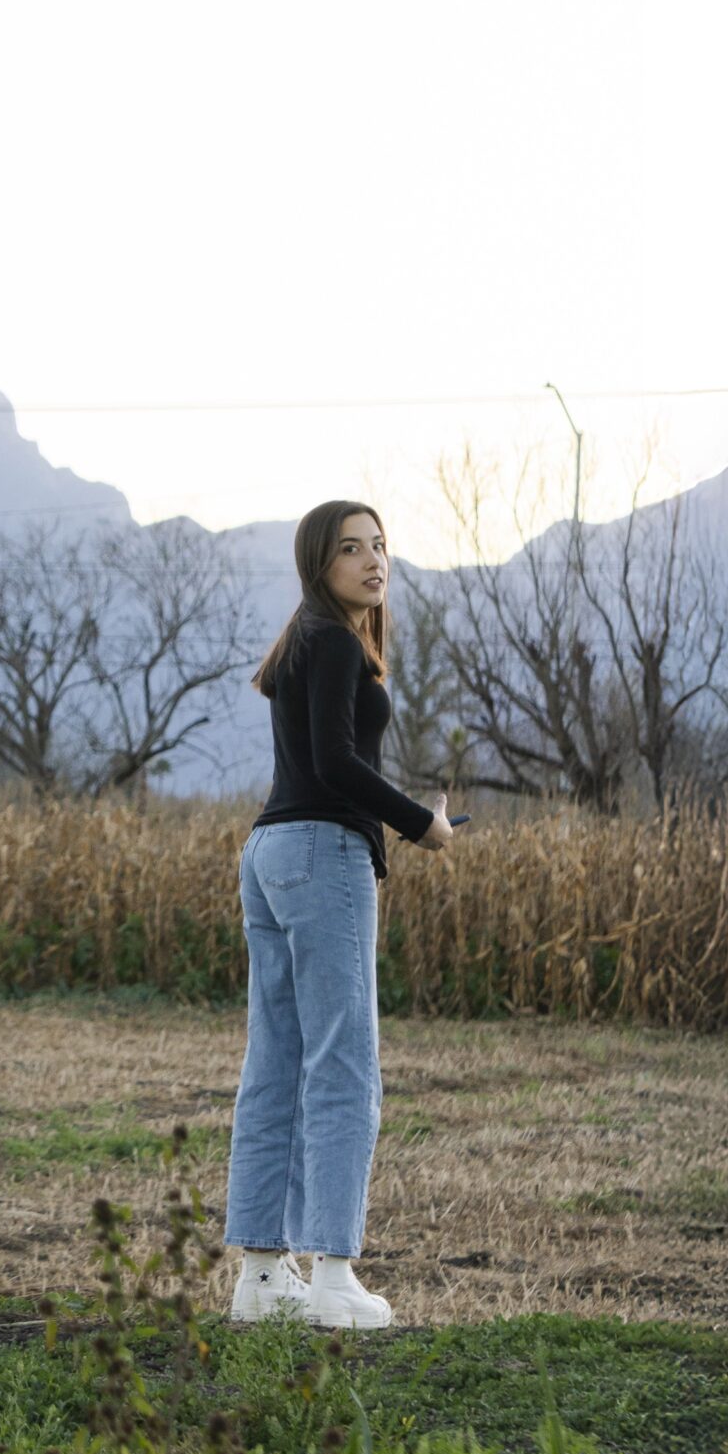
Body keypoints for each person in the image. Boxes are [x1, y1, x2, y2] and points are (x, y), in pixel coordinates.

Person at [225, 500, 452, 1330]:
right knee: (344, 1063)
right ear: (318, 564)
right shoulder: (331, 640)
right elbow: (335, 762)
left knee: (278, 1061)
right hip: (322, 852)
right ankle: (331, 1276)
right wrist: (420, 823)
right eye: (351, 548)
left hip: (270, 851)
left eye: (380, 545)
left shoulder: (304, 640)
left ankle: (261, 1277)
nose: (373, 559)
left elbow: (321, 758)